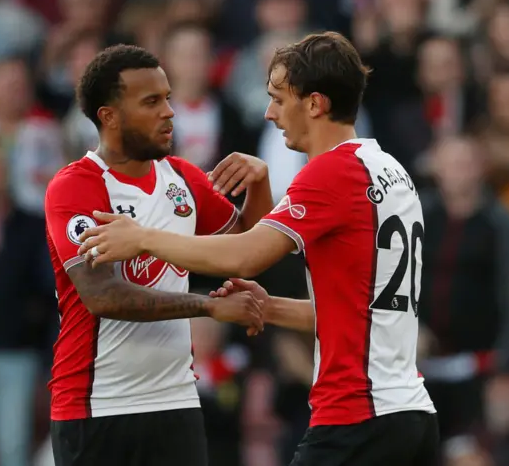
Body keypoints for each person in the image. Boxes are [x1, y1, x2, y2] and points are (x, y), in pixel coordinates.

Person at [78, 32, 440, 466]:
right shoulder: (390, 169)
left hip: (358, 416)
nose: (269, 114)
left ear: (314, 104)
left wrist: (142, 237)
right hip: (412, 412)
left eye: (278, 98)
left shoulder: (331, 172)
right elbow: (366, 311)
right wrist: (271, 309)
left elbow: (245, 255)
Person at [44, 44, 274, 466]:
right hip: (97, 403)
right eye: (151, 102)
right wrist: (208, 307)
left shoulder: (183, 178)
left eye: (168, 98)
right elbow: (103, 296)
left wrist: (259, 184)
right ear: (108, 116)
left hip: (175, 399)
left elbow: (250, 250)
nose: (169, 111)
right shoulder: (76, 187)